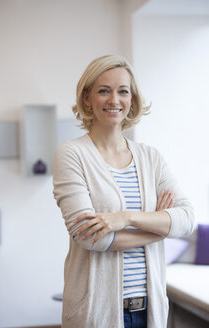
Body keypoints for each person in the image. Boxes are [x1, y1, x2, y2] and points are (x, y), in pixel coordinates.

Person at [53, 55, 195, 328]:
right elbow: (91, 238)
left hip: (149, 309)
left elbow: (186, 219)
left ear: (132, 99)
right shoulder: (71, 154)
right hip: (98, 310)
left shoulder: (150, 157)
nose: (114, 100)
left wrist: (126, 218)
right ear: (86, 99)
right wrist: (160, 227)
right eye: (103, 90)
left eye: (123, 91)